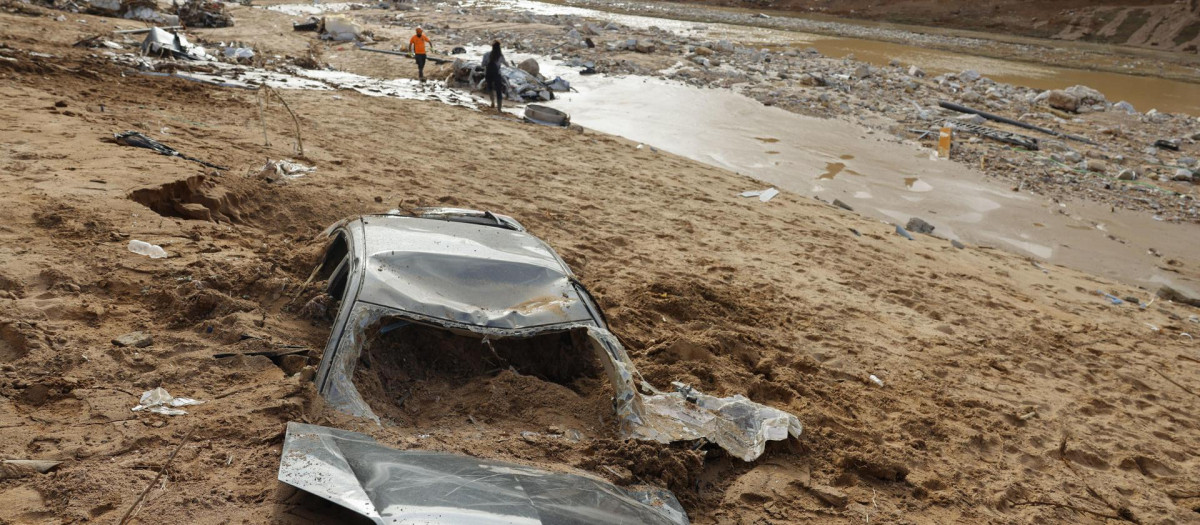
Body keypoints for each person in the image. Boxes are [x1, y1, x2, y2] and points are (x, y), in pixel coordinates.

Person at [484, 40, 508, 112]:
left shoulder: (486, 54)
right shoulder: (500, 56)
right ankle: (499, 109)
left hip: (488, 73)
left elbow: (482, 64)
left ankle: (492, 102)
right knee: (498, 91)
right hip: (497, 74)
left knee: (490, 88)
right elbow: (506, 64)